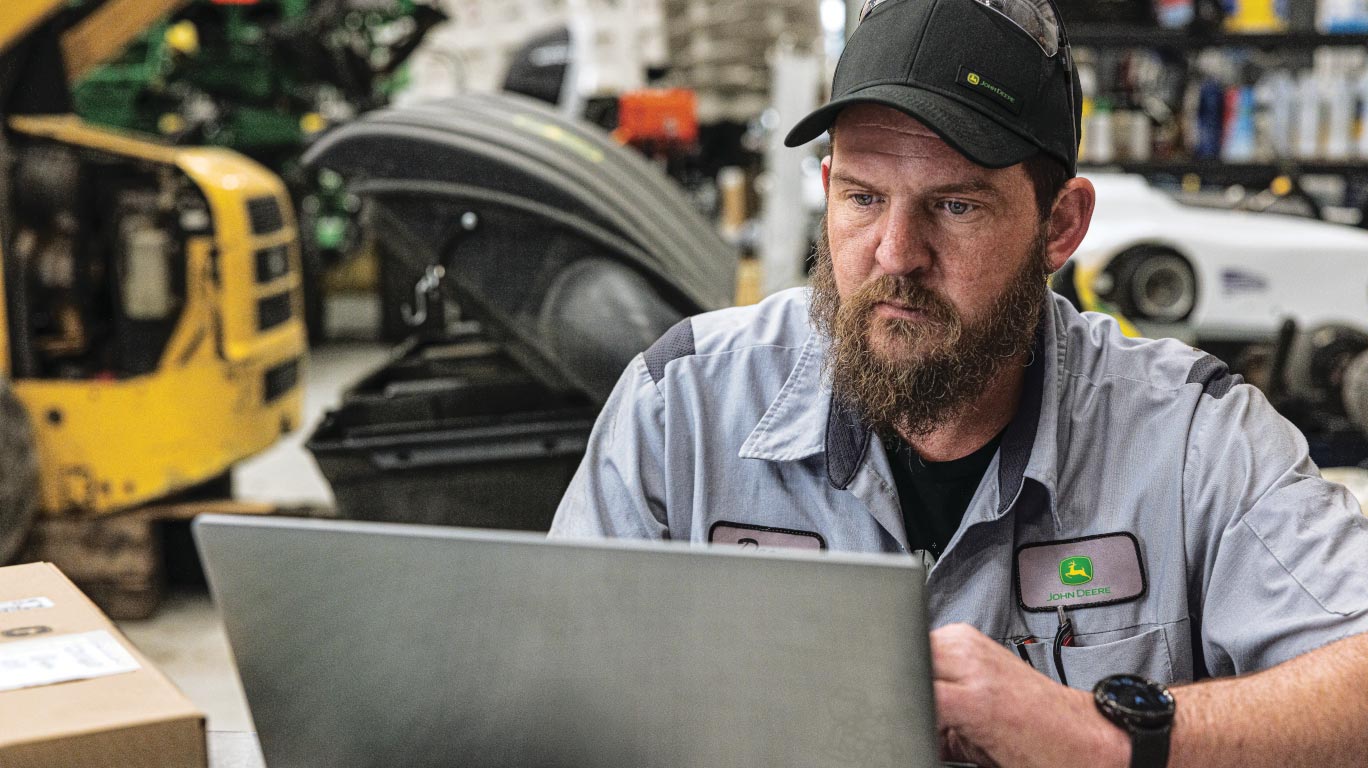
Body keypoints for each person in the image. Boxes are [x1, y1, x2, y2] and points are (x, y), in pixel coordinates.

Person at [549, 0, 1368, 764]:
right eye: (865, 198)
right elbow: (551, 697)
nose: (896, 253)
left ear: (1060, 225)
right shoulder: (680, 408)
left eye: (956, 207)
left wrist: (1100, 735)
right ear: (828, 189)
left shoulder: (1191, 438)